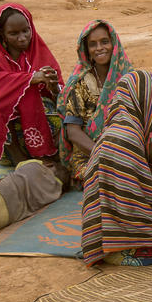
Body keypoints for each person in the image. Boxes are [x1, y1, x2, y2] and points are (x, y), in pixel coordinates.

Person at [82, 70, 152, 266]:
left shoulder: (125, 129)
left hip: (108, 227)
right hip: (116, 234)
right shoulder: (126, 139)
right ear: (145, 102)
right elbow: (137, 203)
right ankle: (134, 248)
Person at [0, 4, 63, 165]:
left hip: (46, 132)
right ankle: (19, 159)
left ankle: (44, 153)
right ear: (1, 34)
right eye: (13, 33)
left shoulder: (41, 55)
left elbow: (61, 96)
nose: (22, 37)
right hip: (10, 145)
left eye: (26, 31)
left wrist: (53, 87)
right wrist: (29, 80)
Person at [56, 20, 134, 188]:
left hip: (124, 150)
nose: (99, 48)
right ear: (87, 51)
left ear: (114, 44)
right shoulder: (81, 83)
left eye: (104, 42)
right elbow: (73, 131)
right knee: (112, 179)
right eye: (93, 44)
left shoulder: (130, 78)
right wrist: (103, 155)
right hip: (89, 155)